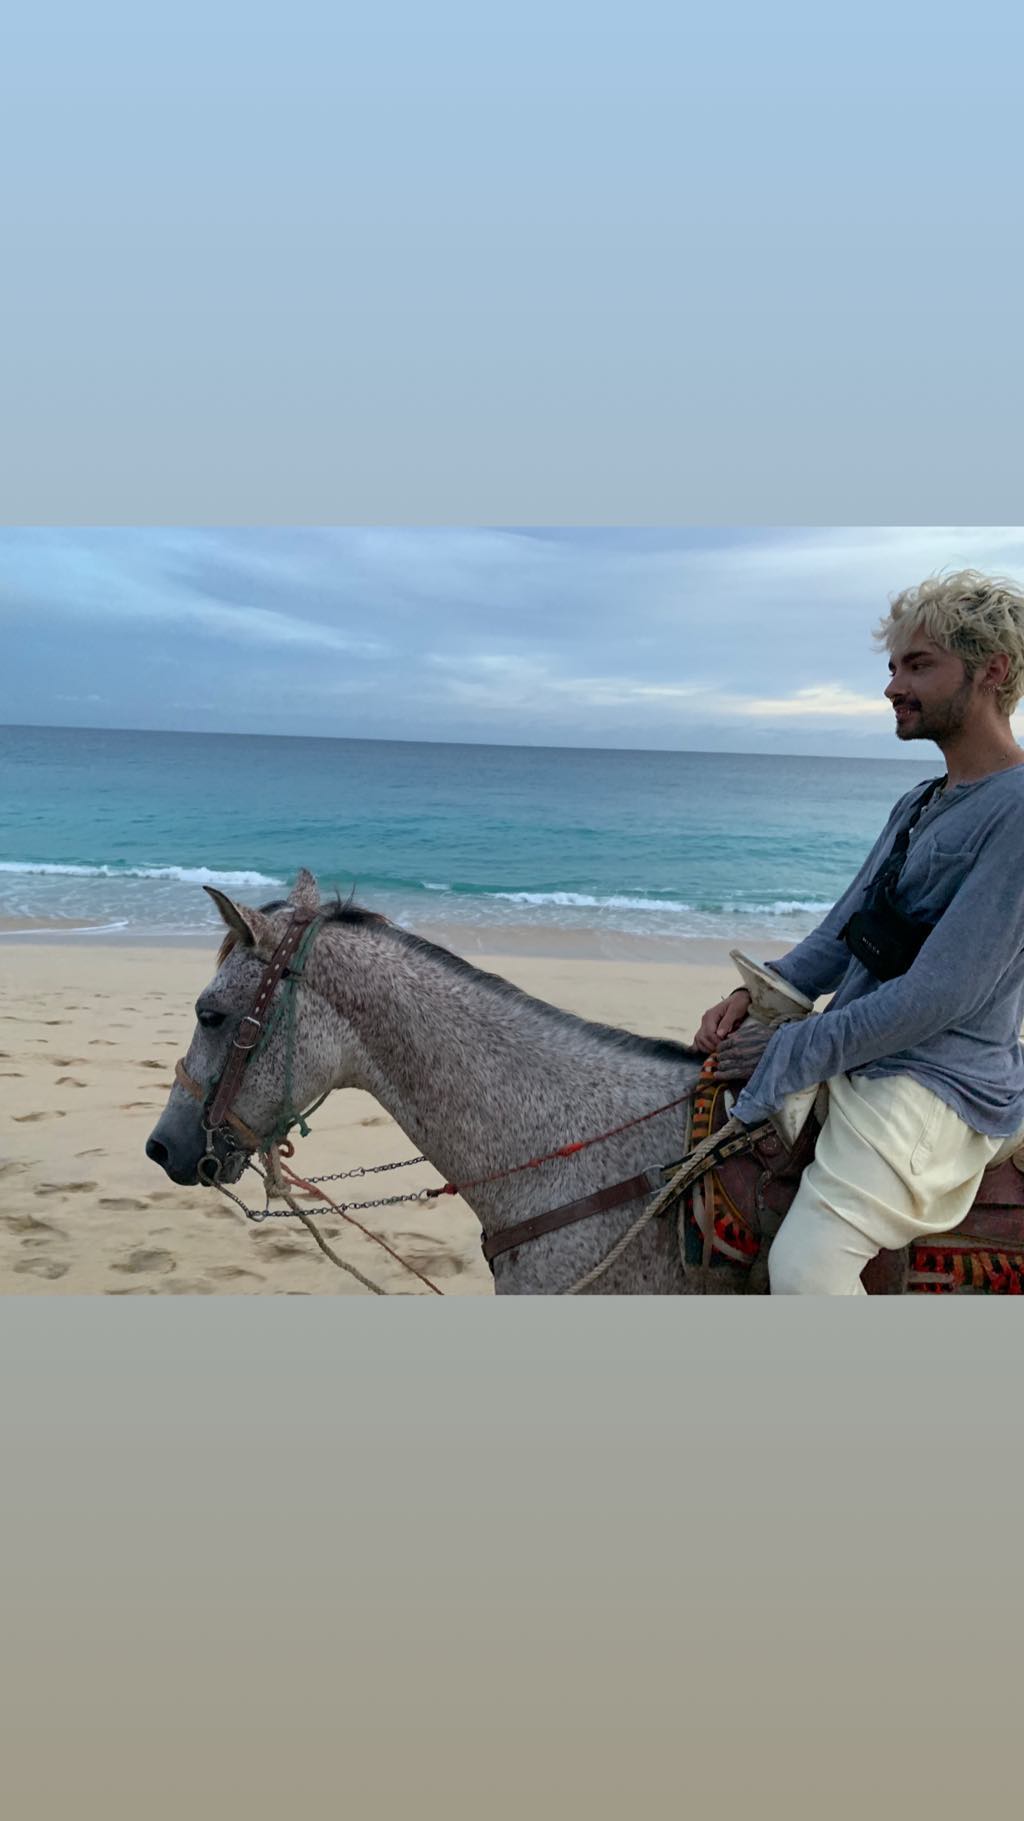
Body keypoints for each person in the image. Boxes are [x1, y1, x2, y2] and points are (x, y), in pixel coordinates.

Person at [693, 569, 1024, 1294]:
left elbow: (942, 994)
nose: (892, 686)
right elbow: (843, 937)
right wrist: (761, 997)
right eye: (893, 666)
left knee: (806, 1266)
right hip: (866, 1051)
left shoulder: (1017, 810)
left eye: (918, 664)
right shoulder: (922, 800)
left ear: (991, 670)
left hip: (940, 1080)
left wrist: (795, 1045)